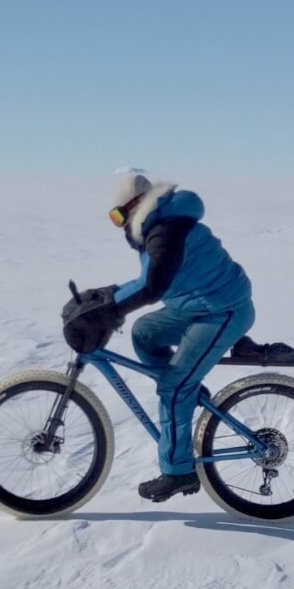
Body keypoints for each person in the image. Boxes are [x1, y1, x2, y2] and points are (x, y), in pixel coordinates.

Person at [85, 170, 255, 502]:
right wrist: (105, 298)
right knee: (145, 333)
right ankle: (185, 392)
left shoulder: (166, 229)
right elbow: (150, 278)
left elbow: (152, 286)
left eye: (118, 215)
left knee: (175, 388)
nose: (119, 225)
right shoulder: (161, 223)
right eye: (113, 218)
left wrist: (106, 308)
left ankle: (179, 473)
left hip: (222, 310)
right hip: (196, 305)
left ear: (134, 206)